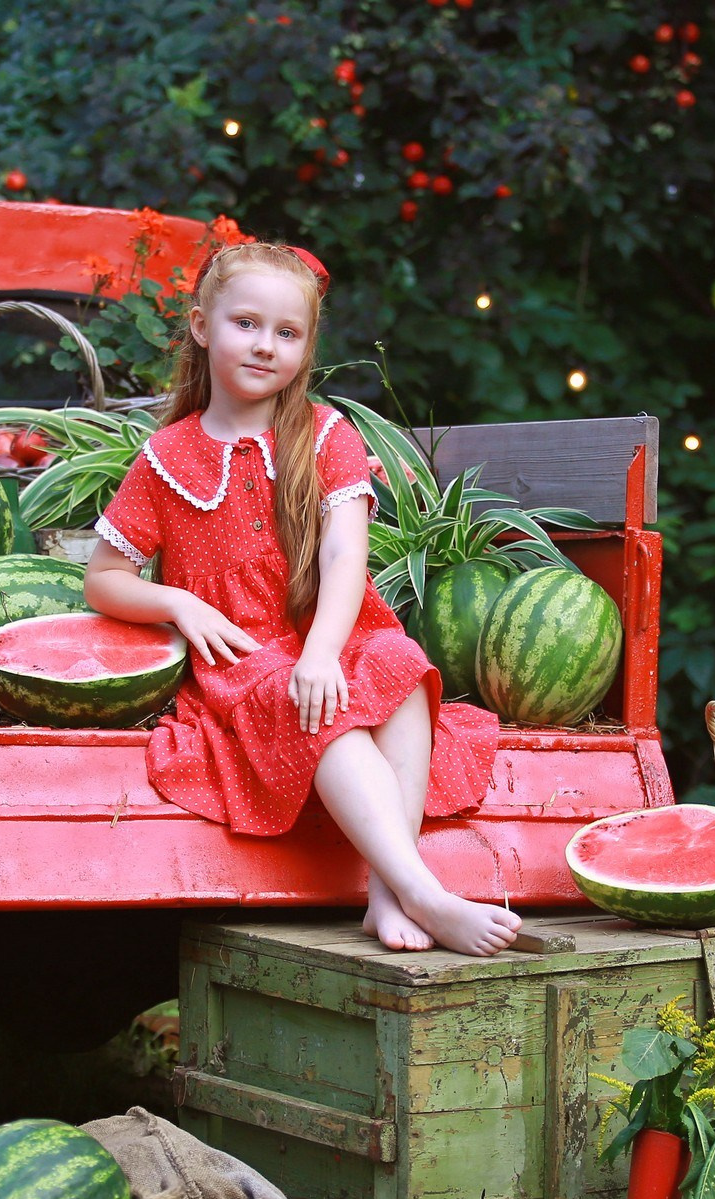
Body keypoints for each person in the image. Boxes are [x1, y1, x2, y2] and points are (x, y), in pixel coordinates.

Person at [83, 243, 522, 957]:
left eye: (287, 333)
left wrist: (321, 648)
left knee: (397, 665)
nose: (265, 346)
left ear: (307, 346)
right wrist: (180, 606)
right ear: (201, 326)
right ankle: (426, 892)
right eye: (246, 324)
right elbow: (103, 578)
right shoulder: (166, 458)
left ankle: (390, 890)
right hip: (245, 655)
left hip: (330, 629)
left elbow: (345, 553)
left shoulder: (325, 436)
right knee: (316, 709)